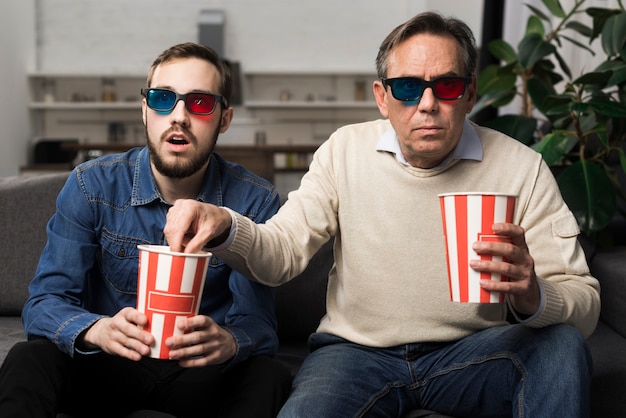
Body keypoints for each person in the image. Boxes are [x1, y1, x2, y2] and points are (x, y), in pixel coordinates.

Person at [162, 12, 601, 418]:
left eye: (446, 86)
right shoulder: (344, 151)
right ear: (382, 97)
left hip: (471, 353)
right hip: (354, 355)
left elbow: (585, 304)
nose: (427, 103)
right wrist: (223, 224)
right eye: (408, 87)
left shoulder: (521, 167)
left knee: (561, 345)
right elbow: (281, 254)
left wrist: (532, 296)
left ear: (468, 95)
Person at [0, 42, 291, 418]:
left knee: (269, 375)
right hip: (106, 364)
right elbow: (44, 302)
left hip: (198, 376)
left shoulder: (255, 200)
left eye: (200, 103)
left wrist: (231, 341)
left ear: (224, 119)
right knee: (29, 357)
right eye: (162, 99)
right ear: (145, 111)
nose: (179, 116)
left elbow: (259, 324)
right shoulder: (92, 185)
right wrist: (97, 330)